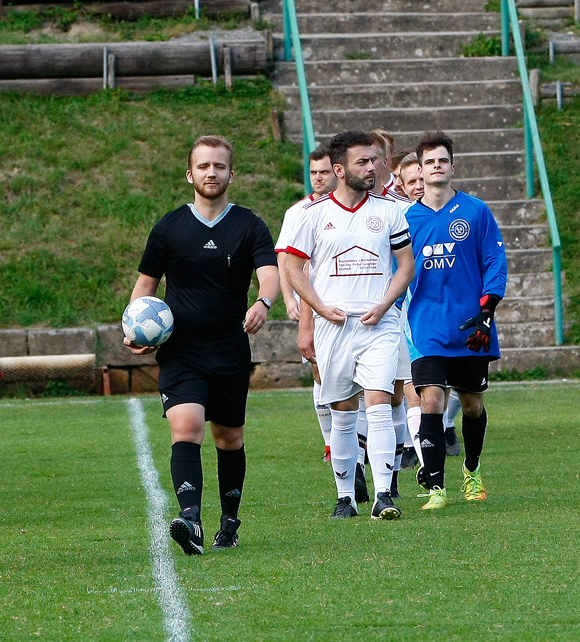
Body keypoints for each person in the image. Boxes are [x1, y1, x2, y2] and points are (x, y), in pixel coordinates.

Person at [125, 134, 279, 554]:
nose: (212, 173)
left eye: (220, 166)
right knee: (186, 427)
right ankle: (190, 520)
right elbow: (146, 285)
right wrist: (135, 328)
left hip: (230, 347)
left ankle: (229, 520)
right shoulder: (169, 227)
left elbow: (270, 273)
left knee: (228, 438)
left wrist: (263, 302)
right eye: (204, 166)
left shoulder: (249, 224)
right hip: (181, 349)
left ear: (232, 173)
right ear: (189, 173)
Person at [283, 130, 414, 521]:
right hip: (334, 327)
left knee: (378, 400)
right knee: (342, 409)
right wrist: (320, 308)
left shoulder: (390, 210)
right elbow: (292, 267)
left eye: (374, 160)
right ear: (340, 169)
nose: (372, 167)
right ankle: (345, 498)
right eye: (363, 162)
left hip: (380, 323)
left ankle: (384, 496)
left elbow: (405, 265)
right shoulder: (313, 215)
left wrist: (385, 303)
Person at [405, 131, 507, 510]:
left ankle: (472, 468)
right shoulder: (407, 219)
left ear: (452, 166)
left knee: (472, 406)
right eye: (429, 161)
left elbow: (495, 263)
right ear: (420, 169)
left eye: (442, 160)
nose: (436, 167)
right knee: (430, 398)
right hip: (427, 325)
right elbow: (396, 271)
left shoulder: (476, 211)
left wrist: (487, 310)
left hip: (470, 326)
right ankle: (436, 488)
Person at [276, 146, 337, 464]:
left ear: (337, 171)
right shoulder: (297, 212)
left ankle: (362, 439)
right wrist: (289, 298)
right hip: (311, 304)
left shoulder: (350, 208)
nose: (317, 178)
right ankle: (331, 443)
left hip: (345, 301)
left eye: (324, 172)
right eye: (313, 172)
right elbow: (285, 260)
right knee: (318, 370)